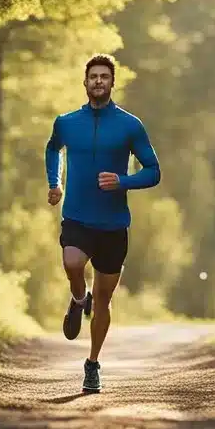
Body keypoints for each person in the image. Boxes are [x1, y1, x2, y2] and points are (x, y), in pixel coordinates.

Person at [45, 54, 161, 393]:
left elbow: (154, 171)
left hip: (113, 225)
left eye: (104, 77)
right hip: (78, 216)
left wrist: (123, 182)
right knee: (72, 262)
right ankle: (78, 297)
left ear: (112, 83)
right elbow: (53, 150)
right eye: (93, 76)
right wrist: (56, 182)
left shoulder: (130, 125)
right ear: (85, 82)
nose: (98, 81)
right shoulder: (66, 122)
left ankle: (92, 364)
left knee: (105, 301)